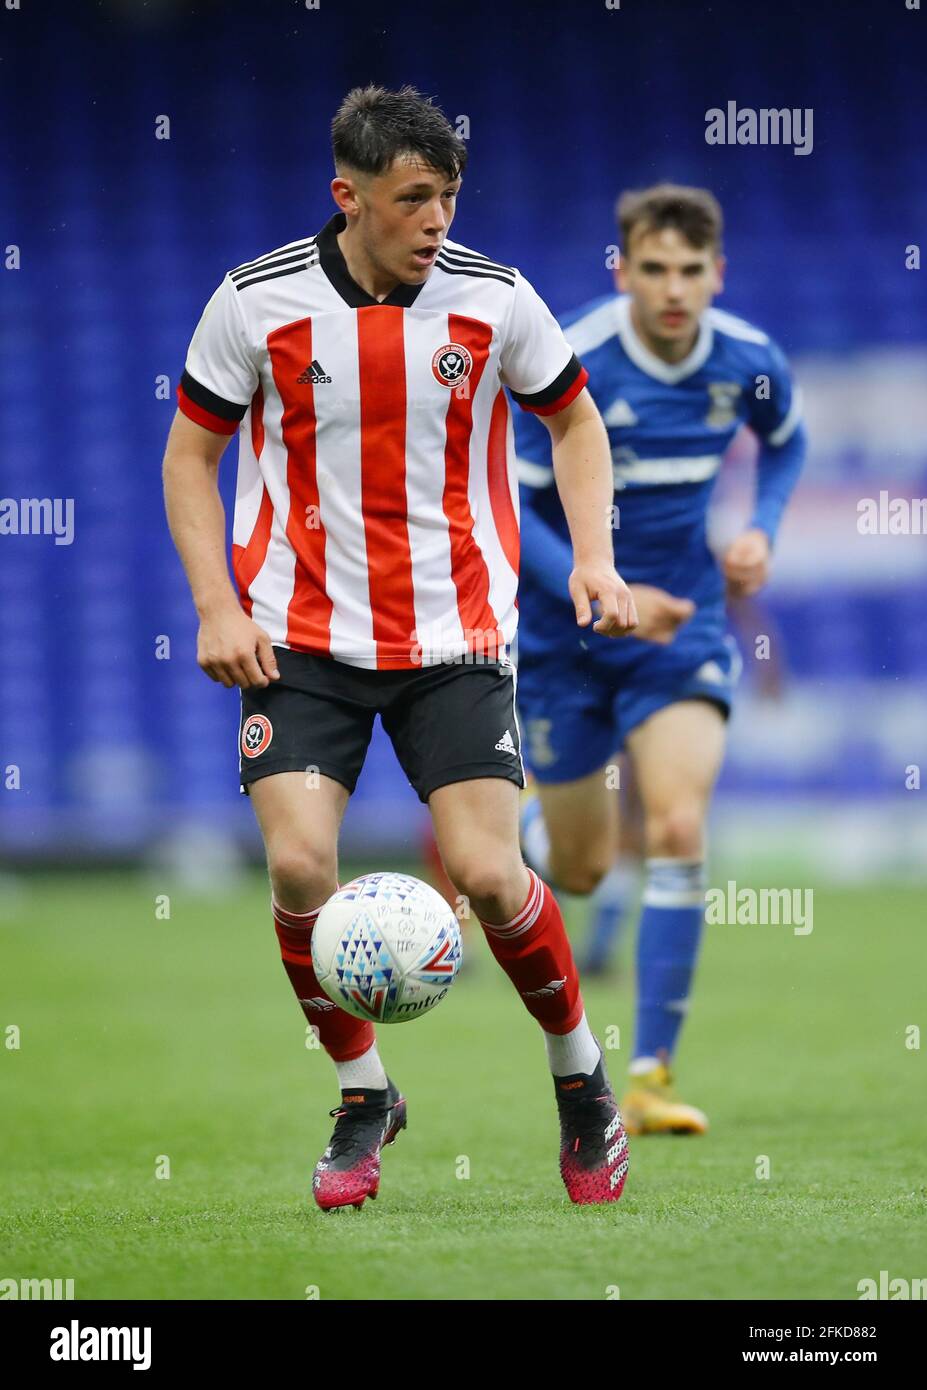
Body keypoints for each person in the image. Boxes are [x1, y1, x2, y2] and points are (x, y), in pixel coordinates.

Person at [162, 85, 639, 1209]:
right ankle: (363, 1091)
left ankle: (580, 1079)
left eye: (448, 197)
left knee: (484, 869)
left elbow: (574, 418)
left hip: (456, 628)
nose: (436, 221)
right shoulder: (254, 302)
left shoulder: (496, 299)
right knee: (297, 867)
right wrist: (216, 604)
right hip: (300, 634)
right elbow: (191, 457)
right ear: (350, 197)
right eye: (412, 199)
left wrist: (596, 557)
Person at [514, 184, 806, 1135]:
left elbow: (786, 444)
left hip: (678, 634)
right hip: (566, 643)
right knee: (587, 870)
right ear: (621, 270)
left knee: (678, 826)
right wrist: (595, 592)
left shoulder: (748, 361)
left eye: (691, 271)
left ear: (716, 274)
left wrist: (759, 528)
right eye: (653, 269)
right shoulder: (572, 356)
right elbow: (511, 510)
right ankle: (530, 832)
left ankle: (648, 1077)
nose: (673, 289)